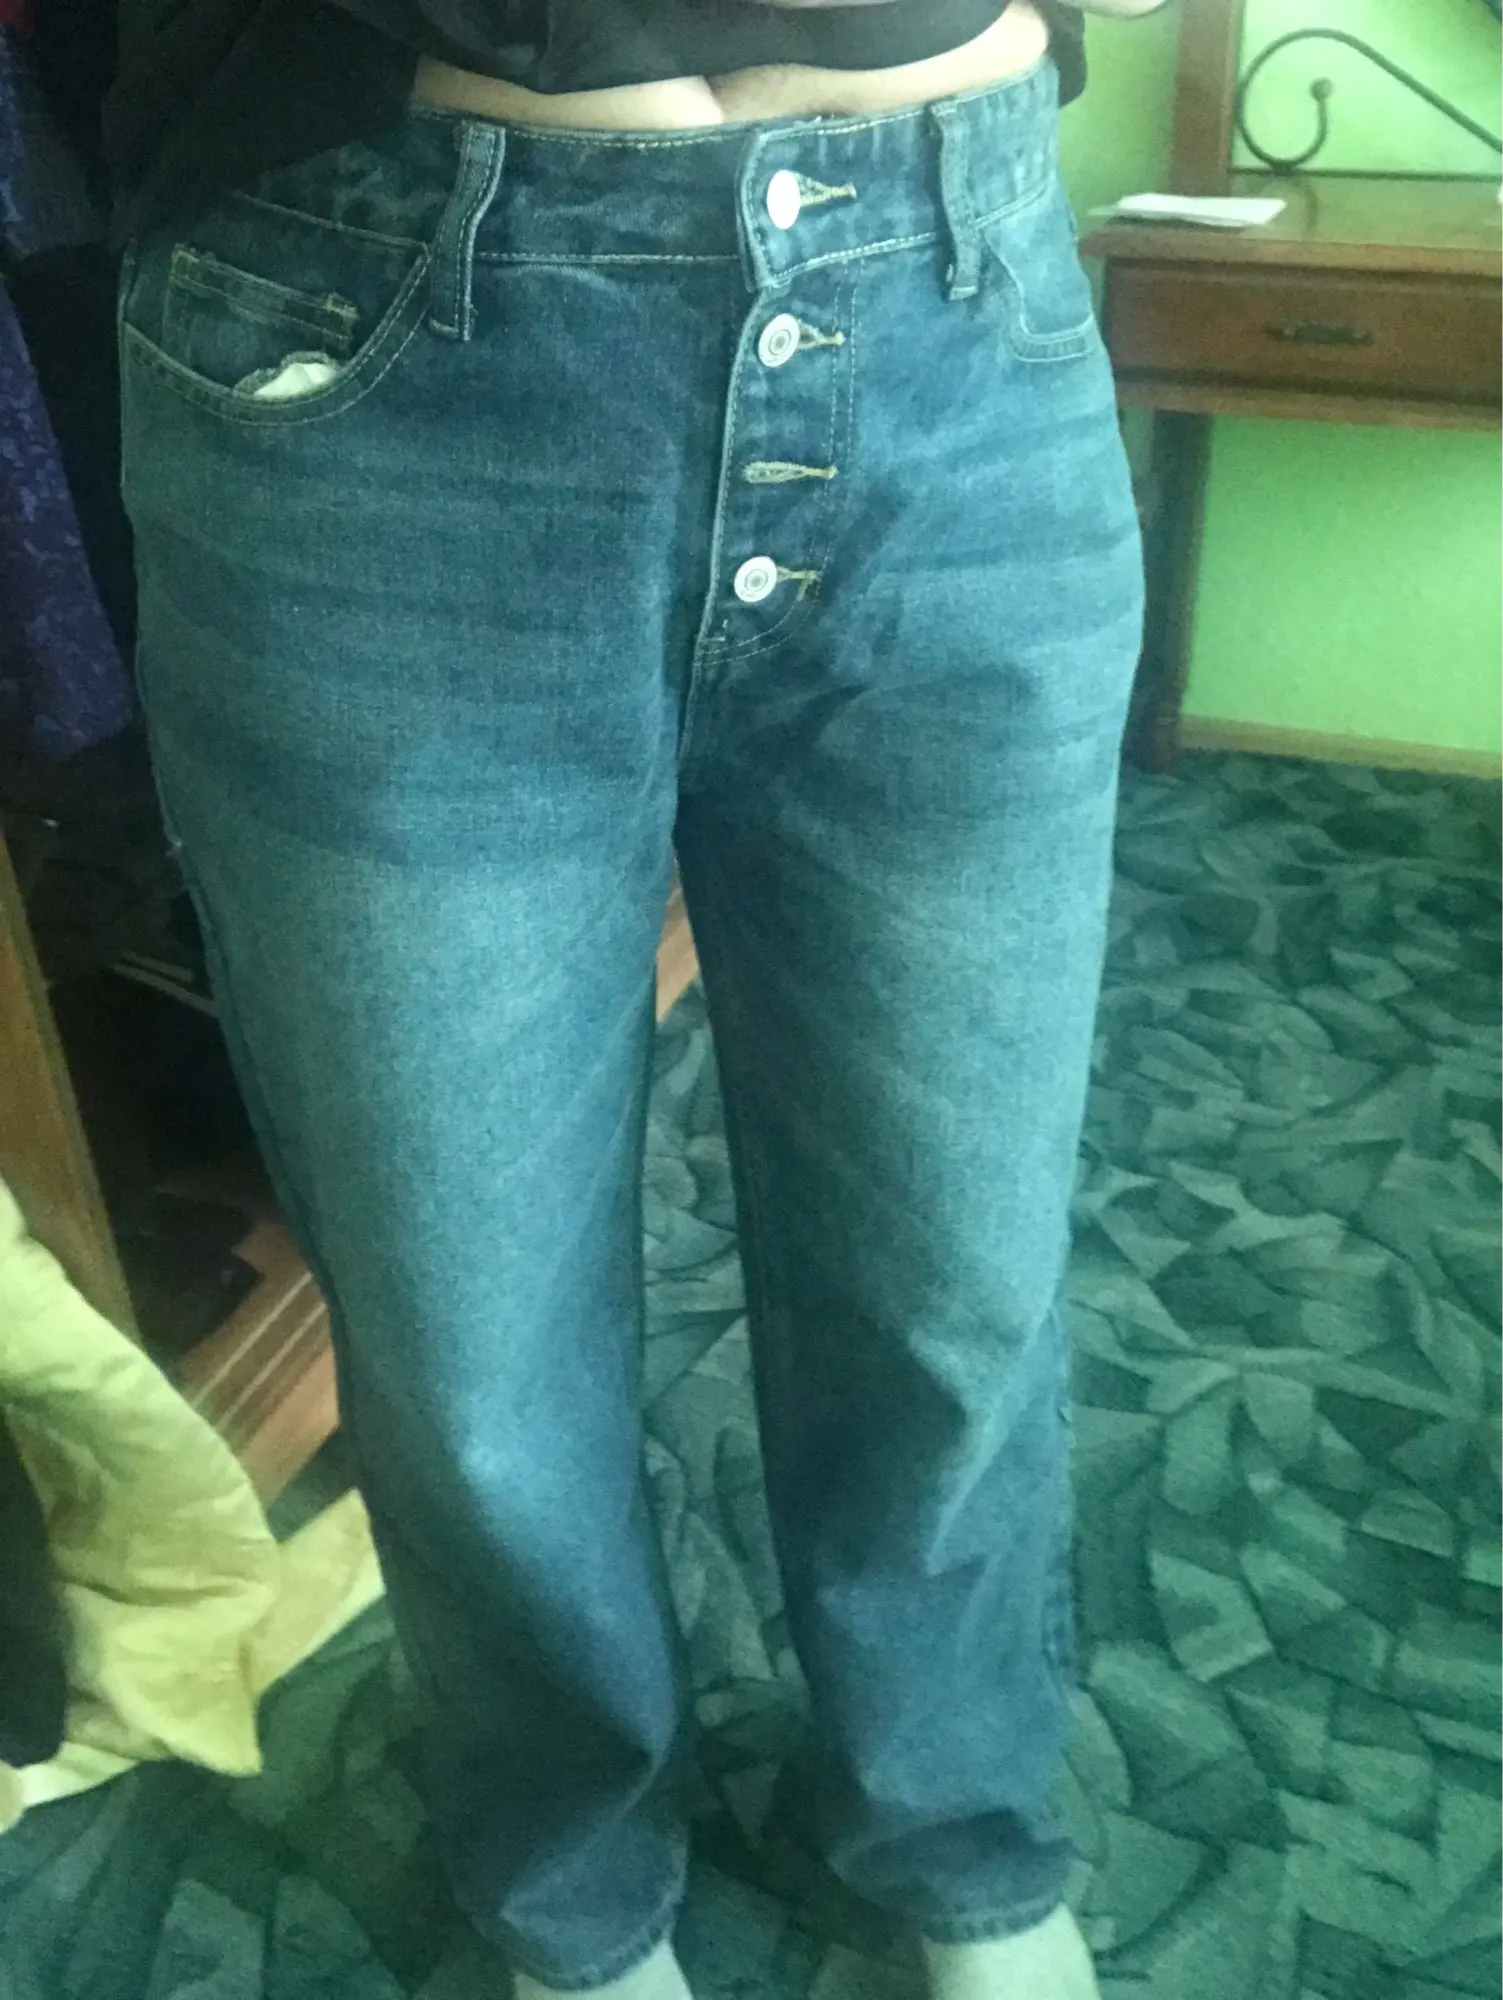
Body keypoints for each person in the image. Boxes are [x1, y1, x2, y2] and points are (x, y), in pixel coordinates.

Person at [104, 2, 1166, 1994]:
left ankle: (955, 1820)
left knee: (955, 1260)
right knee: (468, 1323)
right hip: (372, 328)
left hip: (955, 298)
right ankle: (571, 1876)